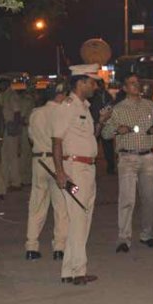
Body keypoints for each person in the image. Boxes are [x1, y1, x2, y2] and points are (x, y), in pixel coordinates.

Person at [51, 64, 110, 286]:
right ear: (81, 82)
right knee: (79, 219)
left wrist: (101, 122)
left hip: (87, 169)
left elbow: (91, 137)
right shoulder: (67, 107)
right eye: (92, 82)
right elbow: (56, 140)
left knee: (81, 217)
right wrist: (60, 172)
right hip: (75, 170)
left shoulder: (84, 107)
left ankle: (69, 270)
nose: (95, 86)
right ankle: (78, 271)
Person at [102, 74, 153, 253]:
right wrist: (117, 130)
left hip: (148, 156)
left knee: (149, 198)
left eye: (137, 83)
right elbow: (105, 133)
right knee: (127, 199)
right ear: (124, 88)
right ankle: (124, 238)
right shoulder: (118, 109)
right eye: (131, 83)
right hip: (128, 157)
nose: (136, 86)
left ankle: (147, 234)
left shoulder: (150, 106)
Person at [25, 82, 69, 260]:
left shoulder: (36, 113)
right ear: (60, 95)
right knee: (61, 207)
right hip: (57, 162)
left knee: (36, 205)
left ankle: (31, 246)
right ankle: (59, 247)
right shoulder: (62, 112)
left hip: (39, 161)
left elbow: (30, 138)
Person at [0, 78, 22, 191]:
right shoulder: (3, 95)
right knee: (5, 156)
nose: (0, 86)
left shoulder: (12, 95)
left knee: (12, 156)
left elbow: (17, 113)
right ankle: (6, 181)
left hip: (11, 127)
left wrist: (15, 128)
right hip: (5, 127)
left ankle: (16, 182)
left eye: (1, 83)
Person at [90, 79, 116, 174]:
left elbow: (112, 106)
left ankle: (111, 167)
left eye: (102, 84)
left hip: (105, 124)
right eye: (99, 84)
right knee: (93, 147)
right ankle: (91, 165)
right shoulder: (92, 96)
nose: (101, 86)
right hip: (95, 123)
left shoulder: (107, 95)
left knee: (108, 147)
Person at [19, 87, 36, 185]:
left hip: (25, 128)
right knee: (28, 154)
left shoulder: (26, 101)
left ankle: (23, 178)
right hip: (29, 128)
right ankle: (27, 178)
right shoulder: (30, 101)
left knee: (24, 154)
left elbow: (22, 116)